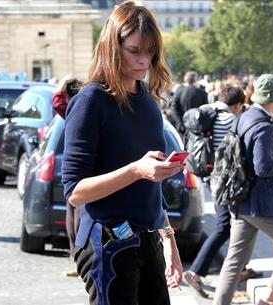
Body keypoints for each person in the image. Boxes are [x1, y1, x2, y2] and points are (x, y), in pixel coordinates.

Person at [61, 2, 183, 305]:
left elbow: (152, 190)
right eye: (135, 50)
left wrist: (169, 241)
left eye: (151, 50)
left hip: (147, 240)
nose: (144, 59)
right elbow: (75, 192)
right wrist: (135, 170)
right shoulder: (91, 100)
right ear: (112, 47)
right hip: (107, 242)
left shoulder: (147, 100)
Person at [212, 74, 273, 305]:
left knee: (234, 261)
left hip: (238, 198)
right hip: (261, 202)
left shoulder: (243, 117)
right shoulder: (264, 126)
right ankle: (270, 297)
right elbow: (264, 168)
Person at [184, 86, 263, 299]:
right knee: (224, 227)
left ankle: (240, 269)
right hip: (226, 182)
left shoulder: (208, 114)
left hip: (212, 178)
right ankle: (196, 272)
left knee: (235, 225)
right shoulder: (231, 120)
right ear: (237, 105)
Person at [52, 74, 82, 277]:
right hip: (86, 171)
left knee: (73, 216)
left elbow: (57, 103)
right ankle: (79, 261)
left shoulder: (70, 110)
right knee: (77, 218)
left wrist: (61, 86)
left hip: (74, 171)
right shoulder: (85, 108)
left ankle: (77, 260)